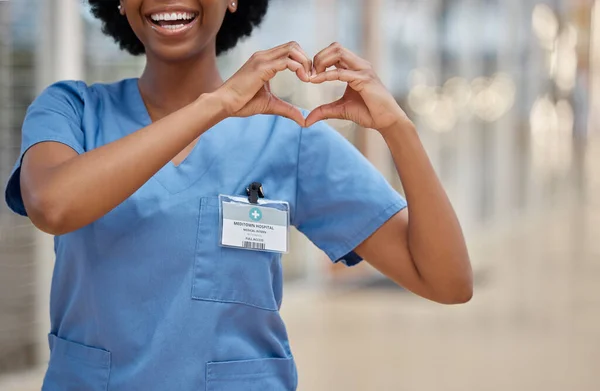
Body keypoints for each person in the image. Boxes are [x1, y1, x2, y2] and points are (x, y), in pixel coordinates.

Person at [4, 1, 473, 390]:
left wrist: (399, 129)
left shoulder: (289, 139)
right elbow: (53, 204)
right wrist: (216, 106)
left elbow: (447, 281)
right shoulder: (71, 110)